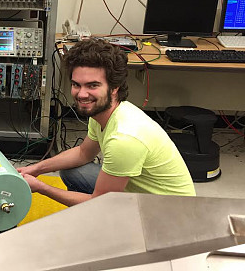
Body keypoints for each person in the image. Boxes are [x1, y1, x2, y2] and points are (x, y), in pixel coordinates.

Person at [17, 38, 195, 207]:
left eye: (92, 85)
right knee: (73, 172)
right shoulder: (104, 111)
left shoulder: (124, 139)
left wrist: (42, 188)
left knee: (100, 204)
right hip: (143, 194)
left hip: (168, 215)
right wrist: (37, 169)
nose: (81, 94)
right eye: (76, 84)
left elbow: (101, 201)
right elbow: (83, 153)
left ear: (114, 87)